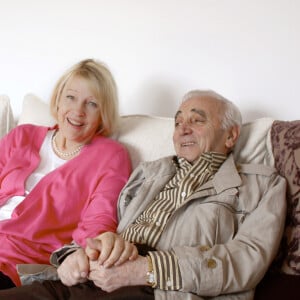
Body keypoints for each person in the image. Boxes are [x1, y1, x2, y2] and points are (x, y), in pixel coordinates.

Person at [0, 90, 286, 299]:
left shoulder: (263, 185)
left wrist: (146, 269)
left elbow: (247, 259)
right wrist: (75, 256)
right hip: (93, 279)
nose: (183, 128)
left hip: (160, 290)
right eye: (177, 122)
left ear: (231, 136)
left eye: (197, 121)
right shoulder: (150, 171)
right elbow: (105, 229)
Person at [0, 59, 131, 289]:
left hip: (17, 261)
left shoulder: (110, 156)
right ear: (58, 100)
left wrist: (86, 251)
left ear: (103, 113)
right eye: (71, 97)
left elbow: (98, 222)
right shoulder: (22, 136)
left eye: (92, 104)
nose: (78, 111)